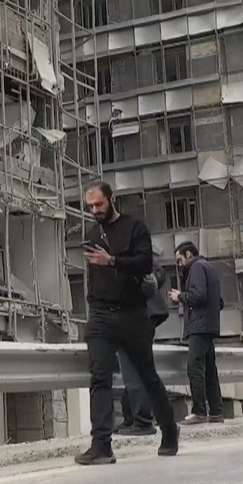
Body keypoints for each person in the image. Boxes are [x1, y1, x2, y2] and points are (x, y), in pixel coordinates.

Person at [76, 183, 179, 465]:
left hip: (132, 314)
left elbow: (145, 263)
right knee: (100, 377)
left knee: (147, 376)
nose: (95, 211)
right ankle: (101, 446)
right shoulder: (91, 233)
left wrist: (112, 261)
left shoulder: (135, 228)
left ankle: (170, 432)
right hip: (100, 314)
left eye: (99, 204)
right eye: (91, 206)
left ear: (111, 199)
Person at [169, 241, 225, 425]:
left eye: (180, 260)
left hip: (199, 327)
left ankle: (199, 411)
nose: (179, 265)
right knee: (209, 369)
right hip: (209, 325)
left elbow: (199, 296)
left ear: (188, 255)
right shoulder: (208, 267)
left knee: (195, 367)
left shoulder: (197, 268)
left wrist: (180, 296)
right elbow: (220, 301)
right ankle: (216, 411)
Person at [116, 255, 172, 436]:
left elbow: (157, 273)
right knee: (133, 368)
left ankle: (142, 420)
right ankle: (134, 417)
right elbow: (159, 273)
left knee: (134, 370)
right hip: (143, 316)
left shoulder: (127, 252)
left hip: (137, 316)